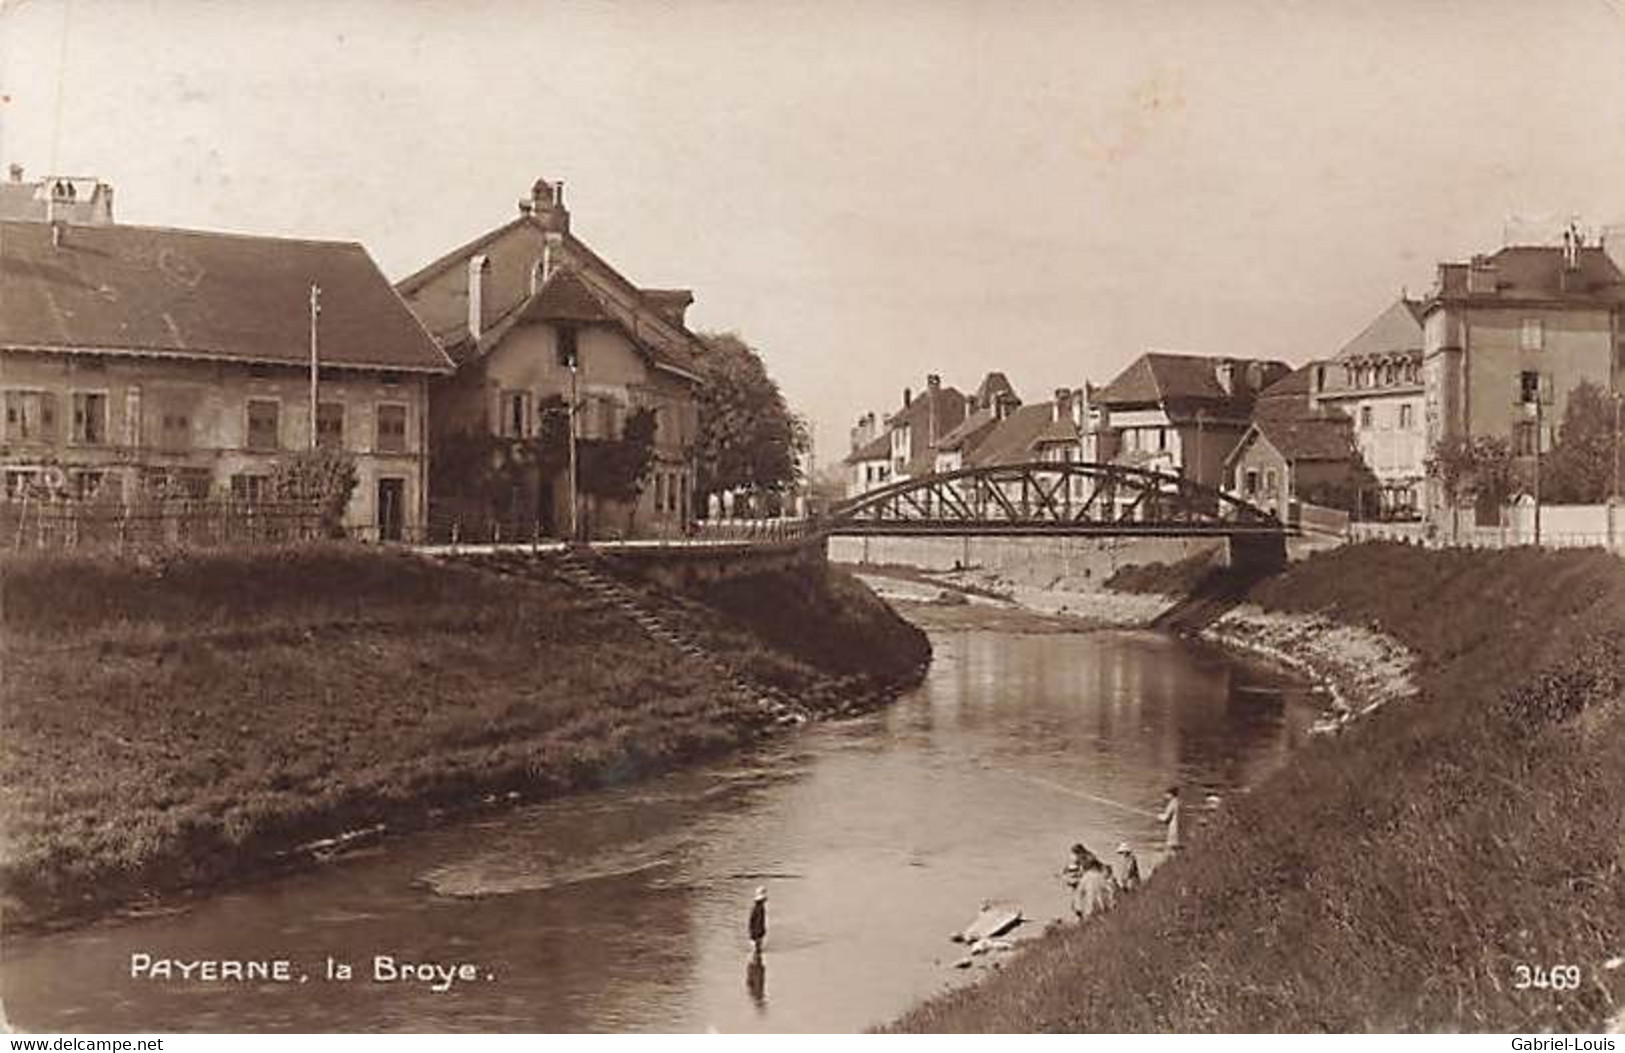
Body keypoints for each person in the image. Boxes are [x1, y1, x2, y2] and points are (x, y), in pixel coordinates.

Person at [1071, 848, 1116, 921]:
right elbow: (1109, 891)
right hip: (1102, 908)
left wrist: (1077, 909)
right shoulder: (1101, 877)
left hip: (1090, 910)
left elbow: (1078, 895)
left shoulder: (1085, 878)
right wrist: (1111, 904)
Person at [1158, 786, 1184, 854]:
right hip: (1180, 828)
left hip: (1173, 828)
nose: (1165, 796)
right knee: (1177, 847)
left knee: (1172, 847)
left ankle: (1175, 861)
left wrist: (1159, 817)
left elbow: (1166, 818)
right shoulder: (1179, 802)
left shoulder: (1172, 803)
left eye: (1166, 794)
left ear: (1171, 795)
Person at [748, 886, 768, 956]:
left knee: (756, 954)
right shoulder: (759, 909)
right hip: (757, 934)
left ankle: (757, 964)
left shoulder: (757, 908)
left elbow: (752, 922)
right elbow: (758, 922)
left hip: (756, 933)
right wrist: (757, 934)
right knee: (756, 953)